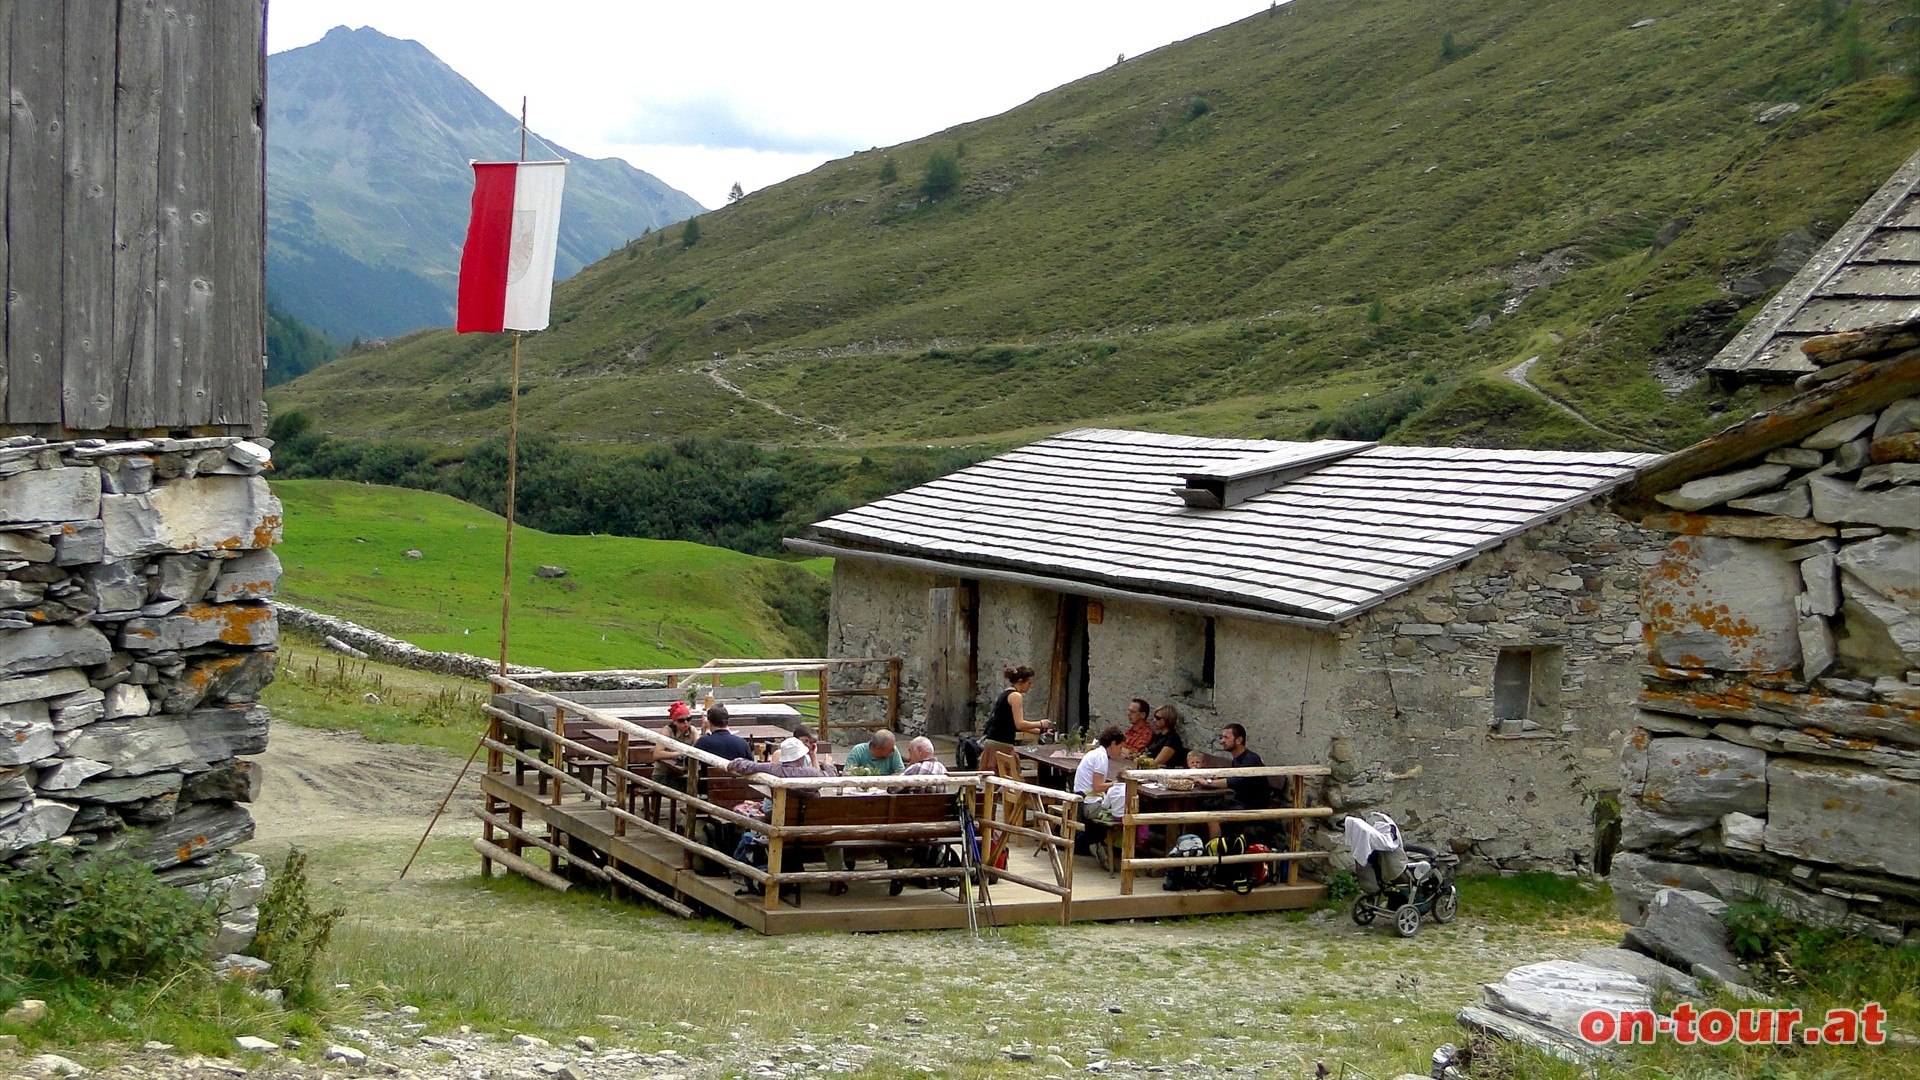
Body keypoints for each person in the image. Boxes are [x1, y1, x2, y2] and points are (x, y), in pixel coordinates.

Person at [1204, 723, 1271, 840]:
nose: (1222, 741)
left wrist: (1207, 782)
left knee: (1212, 813)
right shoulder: (1238, 759)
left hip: (1251, 808)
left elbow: (1234, 781)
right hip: (1240, 803)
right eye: (1221, 737)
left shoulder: (1250, 759)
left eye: (1226, 737)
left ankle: (1216, 851)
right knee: (1206, 804)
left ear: (1239, 740)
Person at [982, 664, 1053, 770]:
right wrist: (1041, 723)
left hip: (994, 741)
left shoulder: (1006, 693)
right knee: (1006, 780)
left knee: (995, 783)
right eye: (1029, 683)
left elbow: (1015, 725)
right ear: (1021, 681)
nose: (1030, 686)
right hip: (1000, 744)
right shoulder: (1016, 696)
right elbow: (1019, 723)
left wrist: (1041, 731)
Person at [1072, 726, 1126, 861]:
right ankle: (1113, 846)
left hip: (1082, 800)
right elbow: (1097, 787)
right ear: (1113, 743)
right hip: (1089, 805)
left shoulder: (1094, 753)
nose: (1120, 751)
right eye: (1120, 747)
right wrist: (1115, 784)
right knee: (1122, 813)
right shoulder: (1101, 758)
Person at [1143, 704, 1188, 769]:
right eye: (1155, 717)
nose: (1154, 720)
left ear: (1167, 719)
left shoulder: (1173, 739)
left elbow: (1158, 762)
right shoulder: (1158, 736)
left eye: (1158, 718)